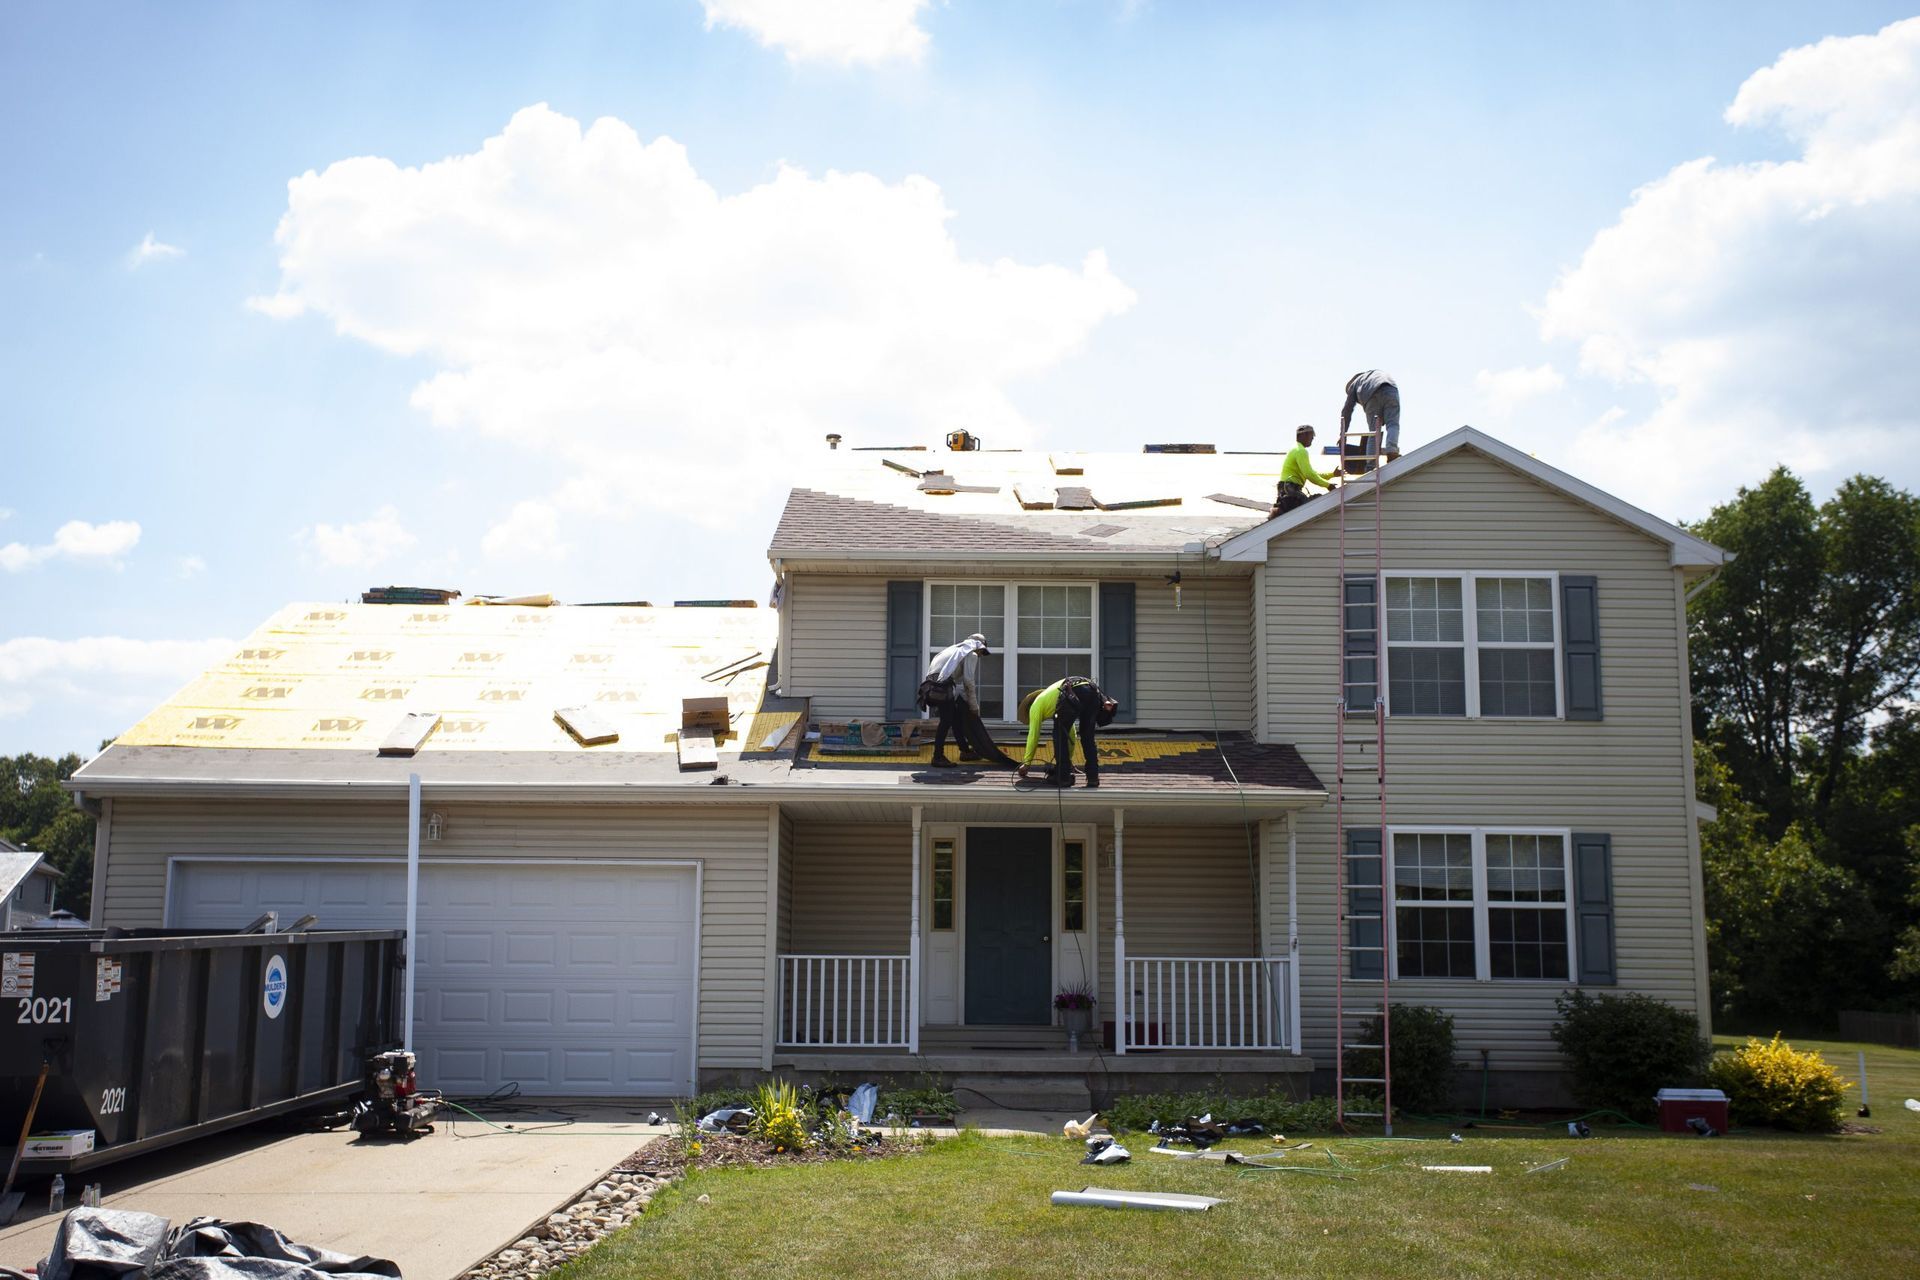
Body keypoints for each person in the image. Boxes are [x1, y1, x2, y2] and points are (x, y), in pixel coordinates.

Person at [918, 634, 1016, 768]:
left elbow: (952, 681)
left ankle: (965, 751)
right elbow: (968, 682)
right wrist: (974, 706)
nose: (981, 655)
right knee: (946, 721)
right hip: (942, 687)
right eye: (982, 651)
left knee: (955, 719)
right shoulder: (970, 653)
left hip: (930, 687)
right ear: (978, 647)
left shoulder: (954, 649)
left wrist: (963, 699)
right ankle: (938, 757)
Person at [1014, 676, 1119, 788]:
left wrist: (1026, 763)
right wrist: (1069, 761)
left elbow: (1033, 736)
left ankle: (1063, 777)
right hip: (1092, 691)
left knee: (1059, 735)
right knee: (1087, 737)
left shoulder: (1035, 706)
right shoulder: (1050, 697)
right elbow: (1072, 734)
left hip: (1072, 691)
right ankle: (1093, 778)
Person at [1271, 424, 1341, 517]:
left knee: (1298, 513)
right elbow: (1309, 474)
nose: (1312, 438)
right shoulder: (1300, 451)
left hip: (1288, 488)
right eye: (1311, 435)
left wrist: (1332, 474)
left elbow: (1312, 474)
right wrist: (1328, 485)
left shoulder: (1296, 449)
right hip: (1289, 488)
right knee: (1308, 510)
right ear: (1303, 435)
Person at [1340, 369, 1401, 463]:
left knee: (1374, 432)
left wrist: (1343, 434)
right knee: (1393, 424)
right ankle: (1392, 451)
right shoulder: (1374, 375)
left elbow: (1347, 410)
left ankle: (1371, 464)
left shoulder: (1354, 384)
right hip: (1391, 390)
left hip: (1372, 396)